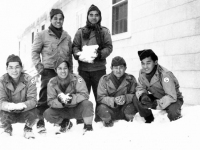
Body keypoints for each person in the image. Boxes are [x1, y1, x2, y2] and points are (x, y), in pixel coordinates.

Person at [31, 8, 73, 133]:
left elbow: (69, 56)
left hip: (63, 71)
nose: (58, 21)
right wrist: (40, 67)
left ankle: (63, 121)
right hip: (48, 70)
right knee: (45, 96)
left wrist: (70, 71)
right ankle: (40, 122)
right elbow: (34, 52)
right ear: (51, 19)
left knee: (63, 97)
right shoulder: (42, 35)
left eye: (61, 19)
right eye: (55, 18)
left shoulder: (67, 36)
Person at [73, 4, 113, 123]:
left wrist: (100, 54)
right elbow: (74, 46)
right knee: (82, 95)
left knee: (100, 96)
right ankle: (81, 120)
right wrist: (79, 55)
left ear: (100, 17)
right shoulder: (80, 32)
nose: (94, 17)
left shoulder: (104, 31)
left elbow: (109, 47)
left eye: (96, 15)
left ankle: (100, 119)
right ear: (87, 16)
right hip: (84, 70)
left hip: (99, 69)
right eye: (91, 15)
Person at [43, 57, 94, 133]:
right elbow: (50, 101)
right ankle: (64, 123)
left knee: (88, 104)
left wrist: (71, 99)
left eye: (65, 68)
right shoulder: (52, 82)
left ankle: (88, 126)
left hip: (77, 108)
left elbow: (84, 94)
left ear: (68, 69)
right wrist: (60, 101)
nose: (63, 71)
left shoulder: (77, 78)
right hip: (62, 110)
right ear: (55, 70)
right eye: (60, 68)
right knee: (47, 113)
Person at [136, 49, 183, 122]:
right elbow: (140, 87)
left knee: (173, 113)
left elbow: (171, 96)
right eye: (143, 63)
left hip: (174, 99)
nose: (145, 66)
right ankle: (149, 119)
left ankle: (176, 126)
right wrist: (143, 95)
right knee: (138, 99)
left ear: (155, 62)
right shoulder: (142, 73)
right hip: (158, 97)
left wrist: (156, 104)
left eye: (148, 63)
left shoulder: (165, 75)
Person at [0, 54, 37, 139]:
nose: (14, 70)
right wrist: (9, 106)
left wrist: (22, 105)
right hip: (9, 112)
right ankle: (7, 129)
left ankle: (28, 129)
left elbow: (33, 100)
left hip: (24, 112)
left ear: (21, 68)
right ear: (7, 69)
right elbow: (1, 101)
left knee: (36, 111)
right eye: (11, 67)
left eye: (17, 67)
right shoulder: (1, 81)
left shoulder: (29, 80)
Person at [96, 56, 139, 127]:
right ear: (111, 68)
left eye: (121, 67)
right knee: (101, 108)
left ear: (125, 68)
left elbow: (136, 95)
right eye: (116, 68)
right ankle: (108, 121)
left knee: (131, 108)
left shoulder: (131, 79)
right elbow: (100, 98)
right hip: (110, 109)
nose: (118, 70)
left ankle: (129, 121)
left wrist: (125, 98)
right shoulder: (104, 80)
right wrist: (113, 100)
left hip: (125, 107)